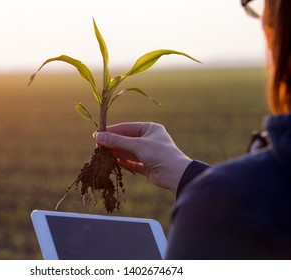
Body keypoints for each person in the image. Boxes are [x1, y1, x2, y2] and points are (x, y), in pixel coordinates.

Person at [93, 0, 291, 259]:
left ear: (277, 30)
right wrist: (187, 174)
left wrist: (215, 196)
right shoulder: (239, 200)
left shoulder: (229, 211)